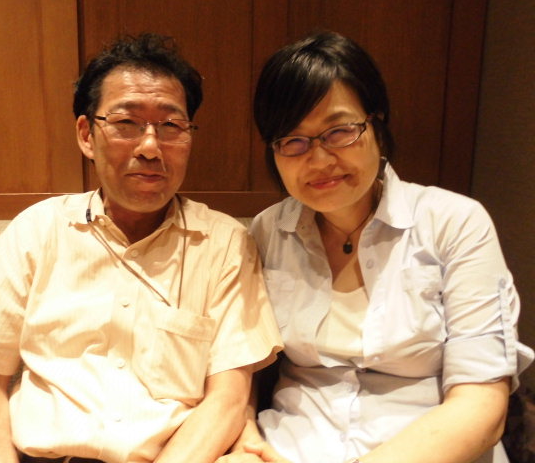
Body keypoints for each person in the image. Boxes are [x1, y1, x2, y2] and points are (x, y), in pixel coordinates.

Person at [0, 33, 282, 463]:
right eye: (126, 123)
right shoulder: (40, 229)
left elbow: (228, 398)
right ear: (86, 135)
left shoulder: (225, 243)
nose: (150, 147)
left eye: (171, 126)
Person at [218, 31, 534, 463]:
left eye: (340, 131)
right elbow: (242, 364)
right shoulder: (267, 232)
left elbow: (481, 405)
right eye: (293, 140)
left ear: (377, 125)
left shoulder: (454, 223)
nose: (319, 160)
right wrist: (245, 441)